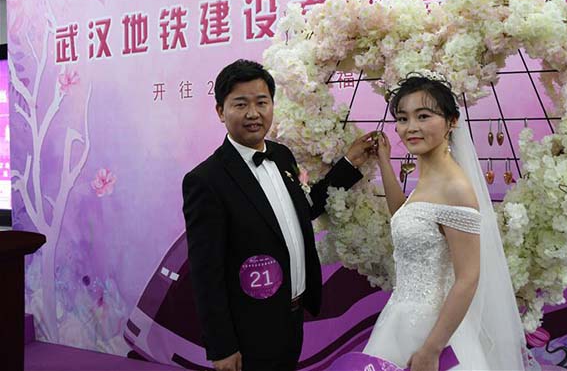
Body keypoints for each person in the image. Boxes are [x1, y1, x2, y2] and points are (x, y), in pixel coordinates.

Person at [182, 59, 375, 371]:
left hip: (291, 316)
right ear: (220, 111)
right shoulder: (205, 181)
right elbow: (206, 274)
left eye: (262, 102)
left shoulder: (282, 155)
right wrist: (222, 347)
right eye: (240, 104)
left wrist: (349, 163)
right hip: (248, 329)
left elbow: (305, 207)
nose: (253, 113)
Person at [363, 73, 529, 370]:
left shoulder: (455, 187)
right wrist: (384, 163)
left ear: (452, 122)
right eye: (403, 118)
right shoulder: (428, 176)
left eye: (423, 116)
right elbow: (405, 216)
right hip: (400, 321)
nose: (411, 128)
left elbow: (469, 277)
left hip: (434, 333)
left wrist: (431, 349)